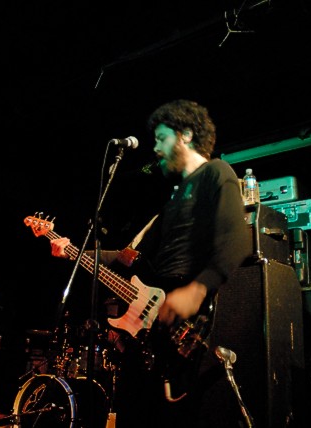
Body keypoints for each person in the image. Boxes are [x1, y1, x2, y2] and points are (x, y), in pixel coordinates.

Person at [50, 99, 252, 428]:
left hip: (186, 320)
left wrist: (198, 289)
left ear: (186, 135)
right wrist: (73, 251)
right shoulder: (173, 199)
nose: (156, 148)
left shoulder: (216, 172)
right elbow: (130, 258)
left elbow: (238, 239)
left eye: (162, 138)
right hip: (152, 325)